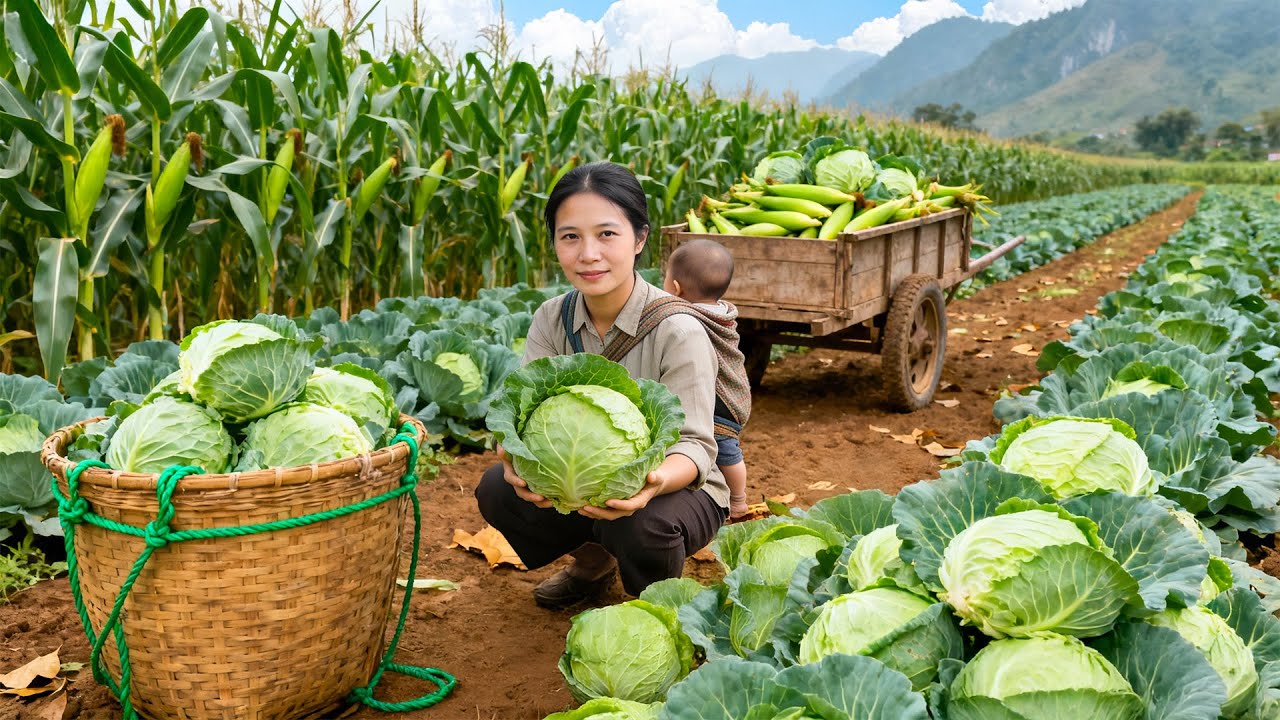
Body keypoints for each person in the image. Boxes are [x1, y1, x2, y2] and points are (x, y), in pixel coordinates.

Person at [475, 161, 728, 610]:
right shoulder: (551, 318)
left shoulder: (679, 330)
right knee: (497, 489)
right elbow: (515, 411)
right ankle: (593, 565)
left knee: (642, 524)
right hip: (582, 477)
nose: (588, 254)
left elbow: (695, 448)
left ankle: (653, 607)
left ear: (640, 239)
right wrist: (512, 460)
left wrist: (649, 484)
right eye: (570, 236)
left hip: (680, 488)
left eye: (607, 234)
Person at [663, 239, 753, 520]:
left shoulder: (688, 317)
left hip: (720, 402)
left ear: (675, 287)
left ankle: (738, 500)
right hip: (731, 392)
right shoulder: (723, 311)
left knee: (727, 452)